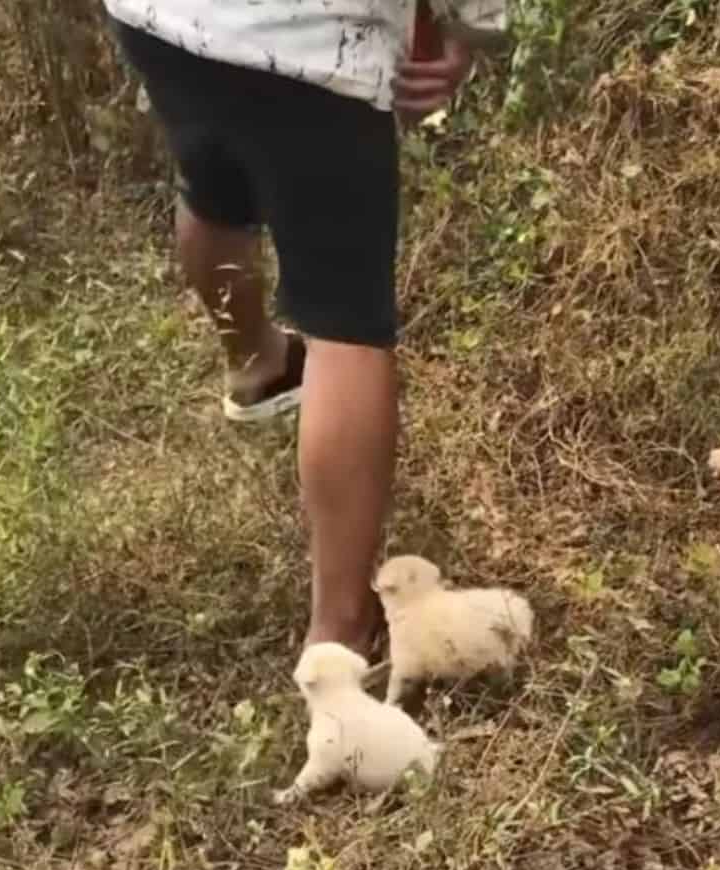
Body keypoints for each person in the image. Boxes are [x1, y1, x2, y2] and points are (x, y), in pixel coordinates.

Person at [102, 1, 475, 659]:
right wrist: (465, 27)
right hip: (310, 36)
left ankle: (257, 364)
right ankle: (341, 627)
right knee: (347, 321)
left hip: (158, 16)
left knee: (210, 179)